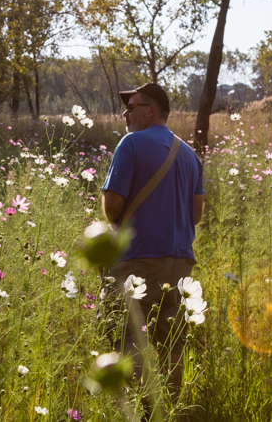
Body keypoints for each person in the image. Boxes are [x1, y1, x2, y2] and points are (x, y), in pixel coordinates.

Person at [99, 82, 205, 404]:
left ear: (152, 110)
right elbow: (196, 215)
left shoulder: (130, 144)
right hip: (180, 265)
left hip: (137, 261)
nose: (125, 113)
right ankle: (169, 408)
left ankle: (143, 408)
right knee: (172, 342)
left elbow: (113, 206)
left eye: (132, 107)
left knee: (126, 338)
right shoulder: (189, 155)